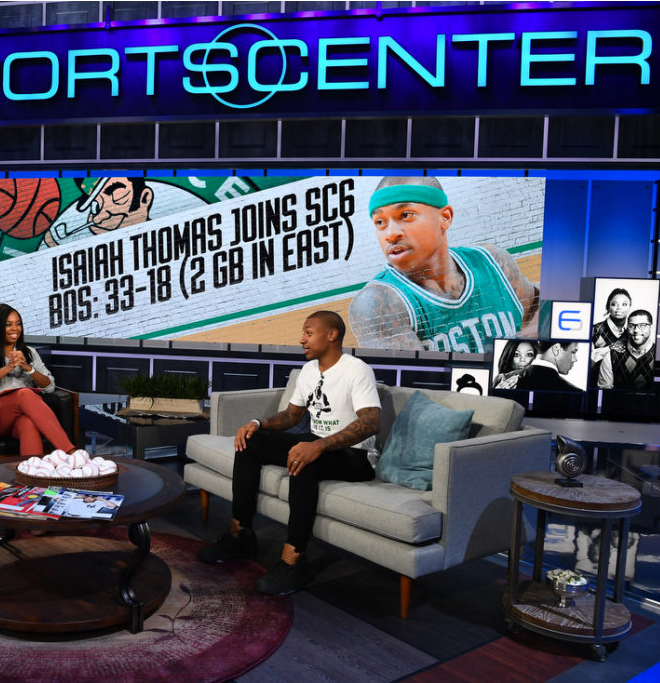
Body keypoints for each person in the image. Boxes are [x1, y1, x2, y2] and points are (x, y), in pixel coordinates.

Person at [198, 311, 380, 595]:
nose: (301, 340)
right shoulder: (309, 370)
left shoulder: (357, 370)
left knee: (304, 459)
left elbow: (371, 421)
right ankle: (240, 535)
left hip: (354, 457)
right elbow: (292, 415)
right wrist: (258, 424)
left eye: (309, 333)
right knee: (251, 442)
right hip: (316, 442)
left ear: (332, 335)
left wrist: (319, 446)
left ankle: (294, 560)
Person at [348, 176, 539, 353]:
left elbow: (542, 305)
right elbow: (412, 378)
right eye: (380, 222)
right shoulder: (377, 304)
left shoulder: (492, 262)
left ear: (445, 217)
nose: (390, 234)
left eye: (406, 215)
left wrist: (527, 340)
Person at [0, 303, 75, 456]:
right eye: (8, 324)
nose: (15, 329)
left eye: (18, 324)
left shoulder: (30, 352)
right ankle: (70, 452)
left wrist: (28, 368)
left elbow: (49, 386)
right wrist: (7, 368)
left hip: (25, 412)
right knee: (25, 393)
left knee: (28, 424)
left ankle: (33, 470)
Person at [598, 310, 656, 390]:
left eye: (642, 325)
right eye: (631, 326)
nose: (636, 330)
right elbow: (604, 391)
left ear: (651, 327)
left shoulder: (657, 355)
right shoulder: (611, 356)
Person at [513, 341, 582, 391]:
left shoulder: (506, 378)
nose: (575, 359)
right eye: (573, 352)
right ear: (556, 349)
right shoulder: (576, 393)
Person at [591, 287, 631, 367]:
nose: (619, 308)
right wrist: (609, 348)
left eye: (624, 304)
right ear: (608, 307)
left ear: (630, 307)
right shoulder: (594, 329)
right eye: (614, 304)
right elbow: (586, 359)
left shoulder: (633, 330)